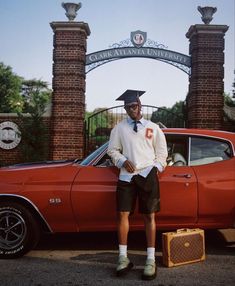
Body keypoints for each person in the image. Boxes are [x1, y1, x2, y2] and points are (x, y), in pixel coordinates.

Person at [107, 89, 168, 280]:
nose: (130, 110)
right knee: (122, 214)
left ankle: (150, 260)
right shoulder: (119, 129)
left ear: (140, 105)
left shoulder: (153, 128)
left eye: (133, 106)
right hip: (126, 177)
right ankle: (123, 258)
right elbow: (112, 150)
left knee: (149, 216)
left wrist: (155, 169)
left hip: (147, 175)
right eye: (127, 107)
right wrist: (122, 161)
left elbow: (162, 153)